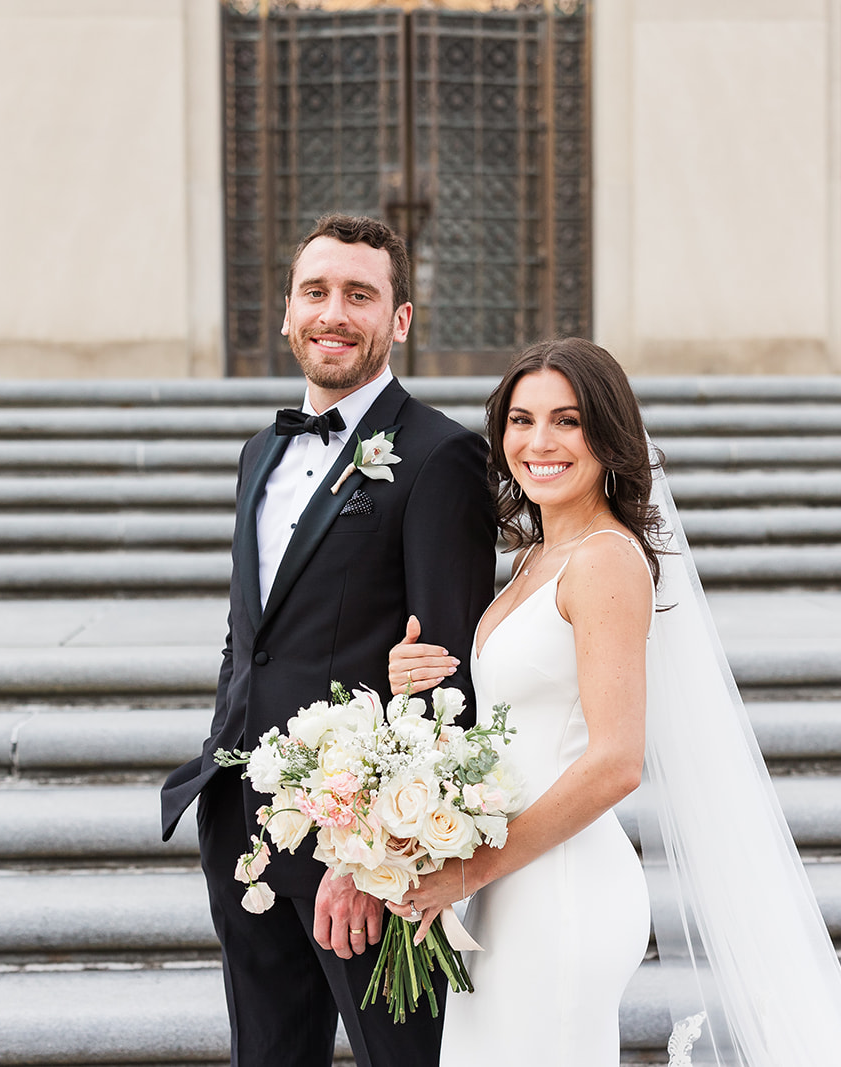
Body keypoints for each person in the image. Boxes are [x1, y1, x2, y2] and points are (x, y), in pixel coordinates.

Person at [388, 338, 841, 1067]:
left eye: (567, 420)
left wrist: (470, 870)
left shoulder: (606, 562)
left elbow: (616, 761)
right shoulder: (533, 558)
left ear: (609, 436)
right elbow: (519, 721)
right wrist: (414, 676)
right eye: (521, 420)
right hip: (505, 882)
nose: (538, 441)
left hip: (560, 888)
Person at [160, 213, 496, 1067]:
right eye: (316, 292)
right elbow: (252, 633)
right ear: (286, 311)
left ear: (401, 319)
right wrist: (220, 759)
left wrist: (375, 852)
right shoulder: (258, 453)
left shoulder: (441, 457)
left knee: (403, 1057)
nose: (333, 313)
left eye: (360, 294)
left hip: (362, 847)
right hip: (244, 820)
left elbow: (445, 682)